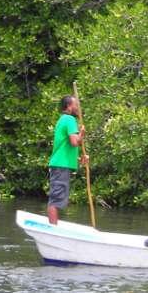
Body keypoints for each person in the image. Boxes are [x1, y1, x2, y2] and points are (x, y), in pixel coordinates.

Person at [47, 95, 88, 225]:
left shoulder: (63, 119)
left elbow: (66, 147)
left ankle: (53, 227)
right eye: (76, 105)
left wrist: (80, 158)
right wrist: (81, 133)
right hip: (60, 165)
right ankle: (53, 230)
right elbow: (75, 142)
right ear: (69, 106)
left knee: (57, 196)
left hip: (61, 164)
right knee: (56, 198)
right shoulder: (70, 119)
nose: (77, 108)